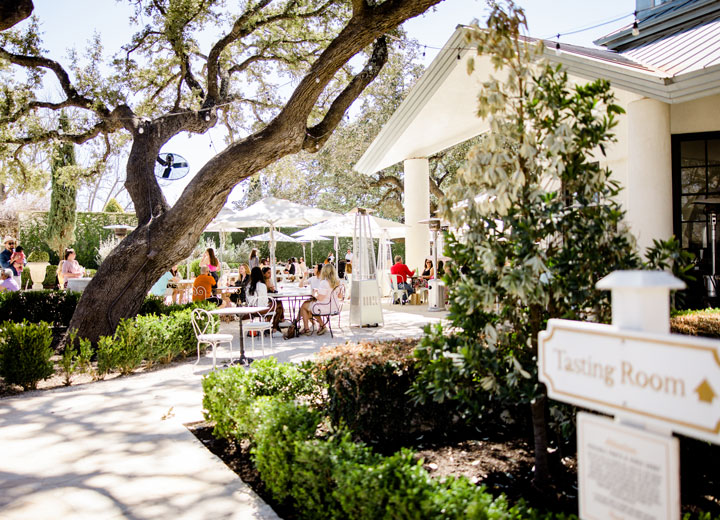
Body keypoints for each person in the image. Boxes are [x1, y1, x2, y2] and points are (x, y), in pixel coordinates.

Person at [298, 263, 340, 335]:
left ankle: (309, 328)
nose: (314, 269)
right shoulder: (337, 282)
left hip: (325, 307)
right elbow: (340, 296)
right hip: (334, 307)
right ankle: (311, 326)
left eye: (316, 268)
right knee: (308, 305)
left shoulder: (324, 282)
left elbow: (320, 298)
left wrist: (314, 293)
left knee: (304, 306)